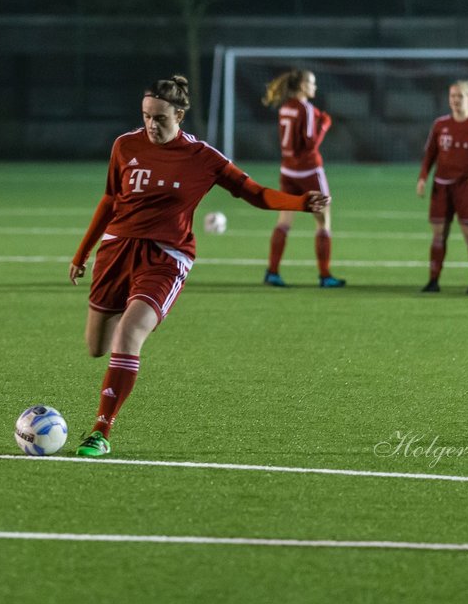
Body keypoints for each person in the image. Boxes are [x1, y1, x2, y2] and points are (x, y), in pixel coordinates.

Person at [68, 75, 329, 457]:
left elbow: (254, 193)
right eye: (145, 117)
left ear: (180, 115)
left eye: (160, 118)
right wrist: (82, 252)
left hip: (165, 257)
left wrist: (300, 202)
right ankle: (134, 310)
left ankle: (100, 432)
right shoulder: (125, 146)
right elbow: (109, 201)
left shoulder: (203, 157)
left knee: (128, 336)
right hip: (116, 251)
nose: (151, 126)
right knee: (96, 347)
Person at [260, 68, 344, 288]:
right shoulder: (305, 110)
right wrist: (324, 125)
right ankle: (325, 276)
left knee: (284, 222)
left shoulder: (286, 107)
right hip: (309, 172)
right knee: (323, 223)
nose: (315, 87)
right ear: (302, 86)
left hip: (288, 172)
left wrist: (316, 115)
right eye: (312, 83)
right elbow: (309, 145)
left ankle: (272, 272)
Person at [416, 80, 468, 295]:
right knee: (439, 234)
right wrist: (423, 177)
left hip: (466, 186)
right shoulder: (440, 125)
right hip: (441, 185)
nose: (455, 100)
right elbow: (430, 154)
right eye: (452, 96)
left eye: (460, 96)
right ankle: (433, 280)